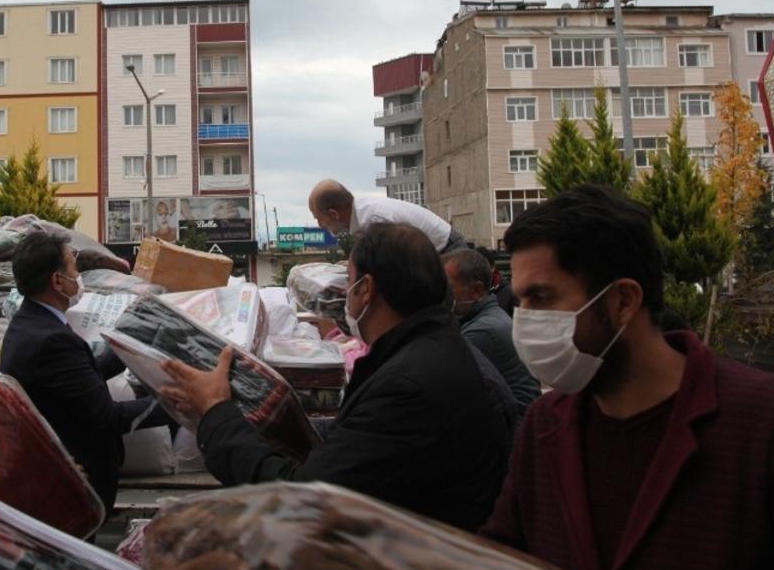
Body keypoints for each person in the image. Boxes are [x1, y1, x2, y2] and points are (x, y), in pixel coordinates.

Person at [479, 185, 774, 570]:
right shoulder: (546, 425)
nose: (523, 320)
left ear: (623, 301)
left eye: (541, 298)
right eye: (520, 301)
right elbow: (498, 565)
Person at [162, 222, 514, 530]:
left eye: (348, 280)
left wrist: (217, 412)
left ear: (365, 289)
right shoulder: (430, 352)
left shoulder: (409, 384)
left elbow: (303, 501)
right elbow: (352, 442)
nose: (345, 293)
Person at [0, 230, 161, 514]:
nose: (79, 276)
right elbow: (107, 418)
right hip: (74, 491)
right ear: (57, 281)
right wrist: (175, 401)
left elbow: (80, 379)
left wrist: (130, 341)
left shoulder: (29, 324)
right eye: (75, 269)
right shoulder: (50, 339)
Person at [443, 248, 541, 418]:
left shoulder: (482, 331)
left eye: (449, 289)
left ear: (476, 290)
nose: (444, 296)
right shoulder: (485, 318)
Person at [308, 179, 467, 253]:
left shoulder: (375, 221)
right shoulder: (362, 215)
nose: (320, 225)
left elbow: (394, 267)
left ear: (334, 214)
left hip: (449, 251)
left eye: (318, 218)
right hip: (438, 251)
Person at [478, 247, 517, 316]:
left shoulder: (508, 293)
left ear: (492, 267)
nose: (479, 272)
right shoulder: (467, 291)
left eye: (483, 268)